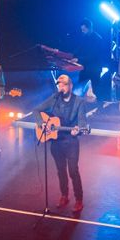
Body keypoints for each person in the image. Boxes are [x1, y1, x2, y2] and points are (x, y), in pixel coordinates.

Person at [32, 74, 93, 213]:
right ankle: (64, 196)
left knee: (73, 171)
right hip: (56, 141)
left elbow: (82, 122)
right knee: (61, 171)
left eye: (64, 84)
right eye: (59, 85)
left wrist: (77, 130)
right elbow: (36, 110)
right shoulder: (55, 98)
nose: (61, 87)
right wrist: (42, 124)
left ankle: (79, 199)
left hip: (71, 142)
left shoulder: (79, 102)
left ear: (70, 86)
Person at [72, 18, 109, 101]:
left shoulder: (98, 39)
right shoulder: (84, 38)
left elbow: (93, 55)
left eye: (84, 29)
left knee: (95, 89)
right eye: (81, 29)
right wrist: (72, 55)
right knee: (81, 87)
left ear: (89, 28)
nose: (82, 31)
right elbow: (79, 49)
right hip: (85, 67)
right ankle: (81, 106)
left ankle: (97, 107)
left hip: (94, 68)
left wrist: (78, 59)